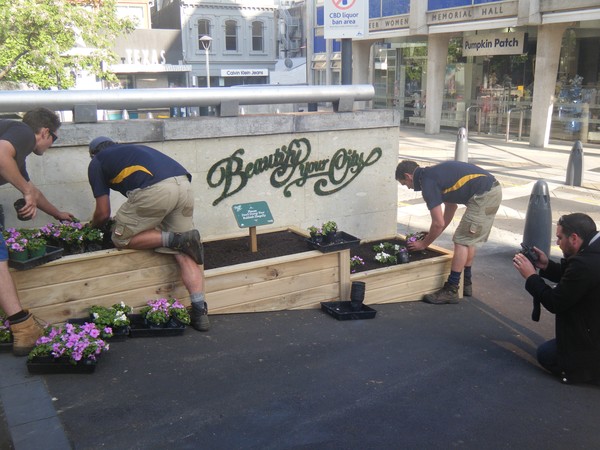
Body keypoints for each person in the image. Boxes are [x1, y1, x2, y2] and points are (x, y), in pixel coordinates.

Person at [87, 136, 210, 331]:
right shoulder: (132, 150)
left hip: (157, 190)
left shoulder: (97, 161)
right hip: (184, 185)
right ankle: (199, 312)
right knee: (185, 251)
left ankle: (173, 238)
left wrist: (92, 228)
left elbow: (102, 213)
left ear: (93, 154)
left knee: (120, 237)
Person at [0, 107, 75, 355]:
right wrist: (26, 192)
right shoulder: (22, 131)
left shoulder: (16, 151)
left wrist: (57, 214)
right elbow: (0, 156)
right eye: (55, 137)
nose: (53, 143)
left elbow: (32, 188)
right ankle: (23, 329)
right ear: (44, 132)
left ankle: (22, 329)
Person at [395, 159, 502, 304]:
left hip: (485, 195)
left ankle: (451, 290)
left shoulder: (427, 183)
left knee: (462, 241)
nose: (407, 187)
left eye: (404, 184)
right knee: (468, 239)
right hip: (490, 191)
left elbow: (438, 223)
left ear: (408, 176)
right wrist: (433, 234)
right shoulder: (432, 175)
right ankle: (466, 283)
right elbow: (451, 208)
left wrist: (424, 244)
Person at [513, 213, 600, 384]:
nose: (558, 243)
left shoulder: (585, 264)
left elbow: (555, 302)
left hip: (593, 338)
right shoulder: (593, 251)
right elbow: (576, 280)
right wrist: (546, 266)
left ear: (574, 238)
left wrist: (531, 277)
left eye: (560, 238)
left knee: (546, 354)